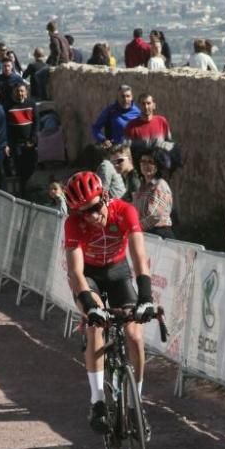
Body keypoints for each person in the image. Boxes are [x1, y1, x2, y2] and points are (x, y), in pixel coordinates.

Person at [63, 171, 157, 433]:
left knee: (135, 336)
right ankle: (98, 402)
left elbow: (139, 258)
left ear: (105, 196)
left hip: (117, 272)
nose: (92, 216)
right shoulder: (73, 224)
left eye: (94, 208)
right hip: (90, 277)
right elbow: (76, 273)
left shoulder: (124, 211)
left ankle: (135, 405)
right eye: (84, 213)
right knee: (96, 327)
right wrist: (90, 307)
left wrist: (146, 298)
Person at [132, 149, 175, 239]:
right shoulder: (142, 186)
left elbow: (155, 216)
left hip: (160, 235)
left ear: (158, 165)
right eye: (142, 161)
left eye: (150, 162)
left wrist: (135, 227)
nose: (146, 165)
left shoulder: (160, 185)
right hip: (146, 234)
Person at [6, 83, 38, 191]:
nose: (20, 93)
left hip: (29, 142)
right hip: (16, 143)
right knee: (19, 165)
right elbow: (6, 126)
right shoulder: (8, 106)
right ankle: (22, 190)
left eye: (22, 91)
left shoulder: (31, 104)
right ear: (13, 92)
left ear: (26, 92)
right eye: (17, 91)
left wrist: (33, 138)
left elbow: (36, 122)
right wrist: (9, 143)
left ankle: (27, 185)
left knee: (31, 164)